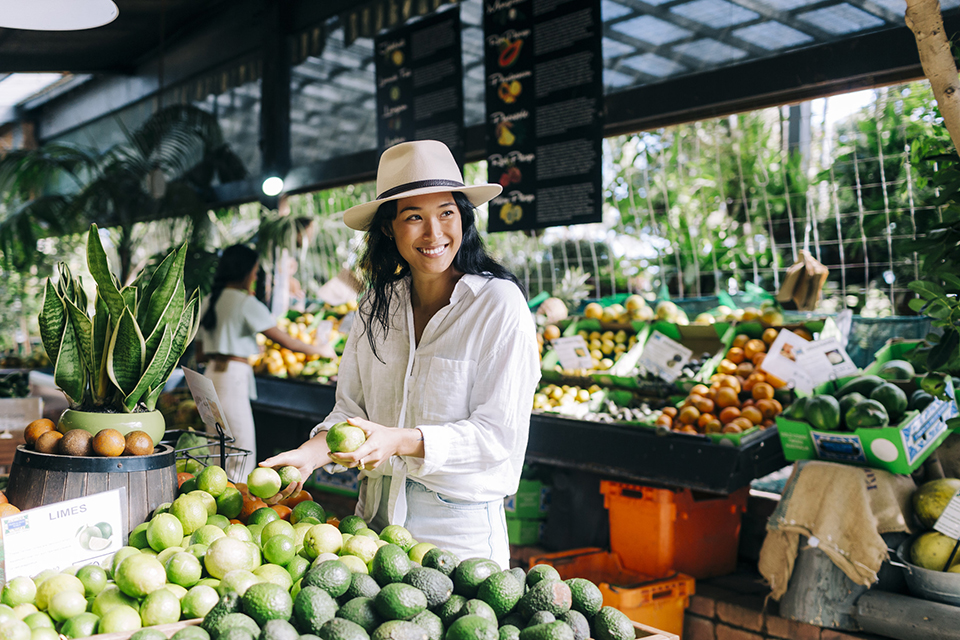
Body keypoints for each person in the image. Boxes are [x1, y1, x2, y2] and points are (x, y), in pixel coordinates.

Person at [262, 140, 540, 567]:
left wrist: (401, 442)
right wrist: (310, 455)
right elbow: (349, 411)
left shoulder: (498, 304)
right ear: (390, 228)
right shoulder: (376, 306)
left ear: (463, 218)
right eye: (414, 217)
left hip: (456, 539)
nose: (434, 233)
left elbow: (496, 435)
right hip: (369, 532)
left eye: (446, 213)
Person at [195, 244, 335, 480]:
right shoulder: (244, 303)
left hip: (209, 377)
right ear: (248, 272)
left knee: (216, 449)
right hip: (232, 379)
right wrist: (321, 349)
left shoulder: (209, 300)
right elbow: (287, 342)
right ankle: (238, 507)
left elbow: (200, 353)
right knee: (240, 451)